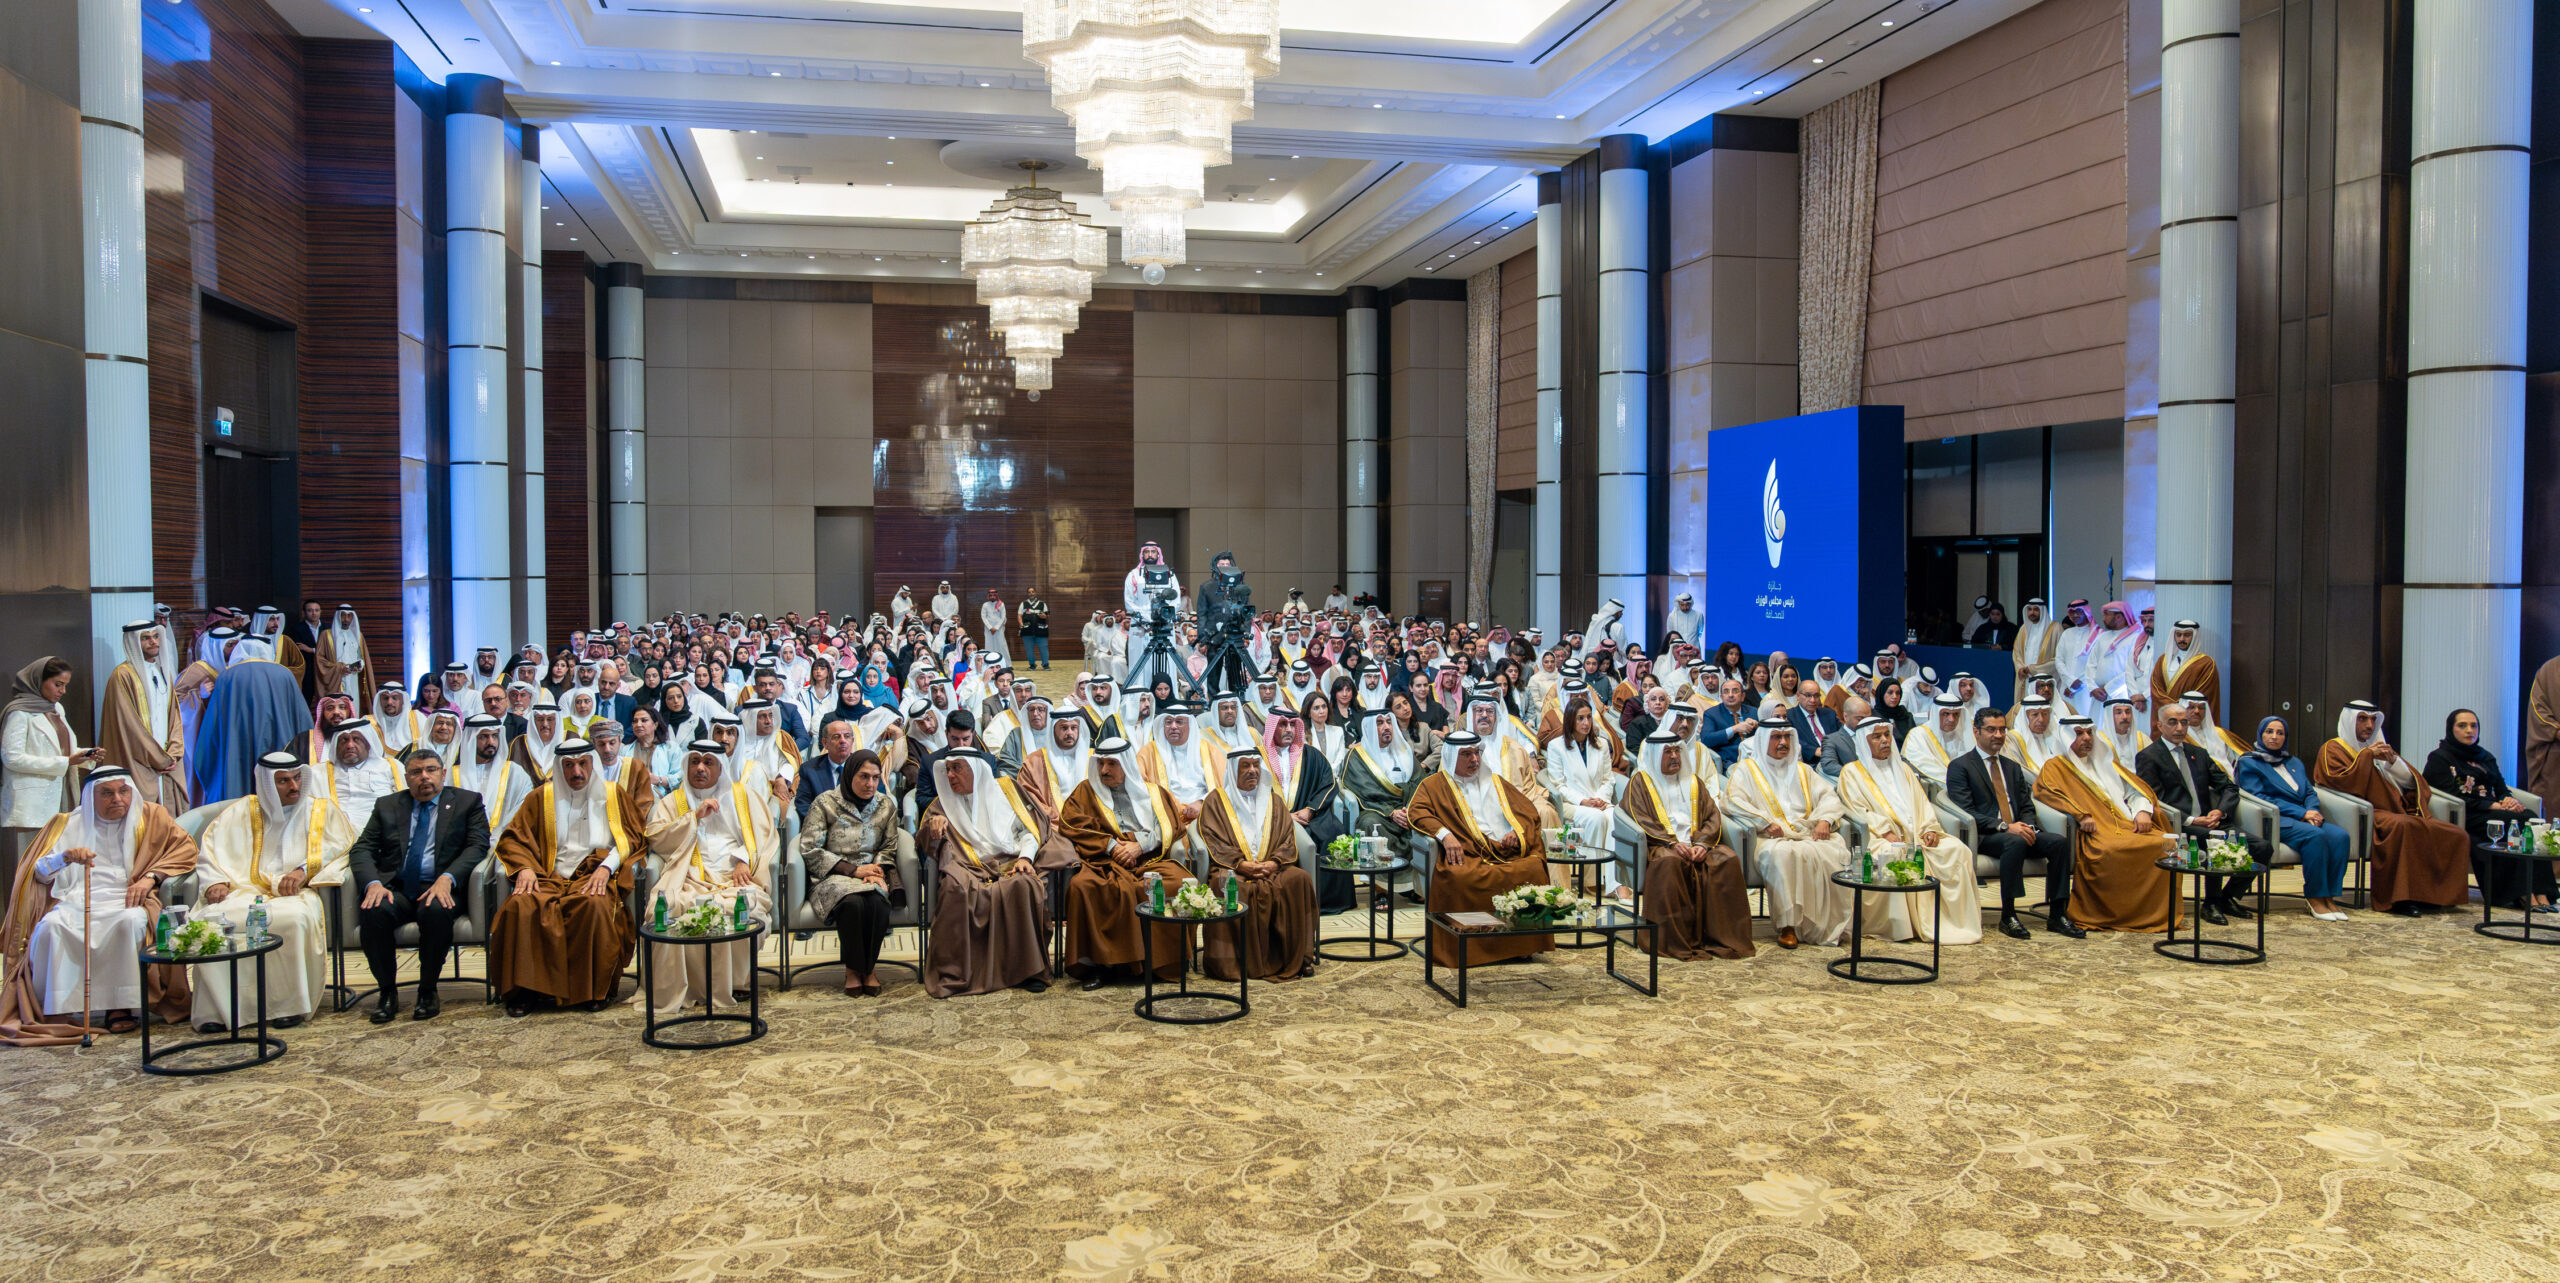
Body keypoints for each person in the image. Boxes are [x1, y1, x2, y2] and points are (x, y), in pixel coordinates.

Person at [0, 769, 195, 1042]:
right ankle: (60, 1008)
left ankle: (120, 1006)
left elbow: (185, 849)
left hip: (127, 896)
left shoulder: (150, 817)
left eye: (123, 791)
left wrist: (150, 878)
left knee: (130, 923)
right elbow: (40, 873)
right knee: (51, 927)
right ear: (91, 796)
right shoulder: (66, 824)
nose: (118, 799)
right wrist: (65, 858)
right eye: (107, 793)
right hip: (77, 897)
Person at [185, 752, 349, 1032]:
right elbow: (210, 851)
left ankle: (287, 1007)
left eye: (297, 778)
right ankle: (218, 1010)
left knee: (293, 920)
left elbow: (341, 847)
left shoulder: (320, 810)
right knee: (214, 921)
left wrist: (303, 871)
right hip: (241, 892)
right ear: (266, 783)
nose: (294, 787)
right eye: (283, 781)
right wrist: (214, 882)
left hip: (294, 894)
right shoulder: (239, 812)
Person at [491, 740, 641, 1017]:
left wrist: (607, 868)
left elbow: (631, 838)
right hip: (548, 876)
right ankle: (525, 992)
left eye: (583, 764)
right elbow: (513, 838)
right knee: (519, 906)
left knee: (594, 906)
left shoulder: (612, 794)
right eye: (569, 765)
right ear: (559, 768)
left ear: (592, 763)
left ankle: (592, 991)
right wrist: (525, 868)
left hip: (593, 874)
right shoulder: (540, 797)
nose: (577, 772)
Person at [347, 749, 493, 1023]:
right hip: (397, 888)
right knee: (374, 910)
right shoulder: (387, 805)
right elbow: (362, 849)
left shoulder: (467, 802)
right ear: (406, 778)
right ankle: (387, 991)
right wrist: (374, 883)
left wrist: (447, 878)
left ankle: (427, 990)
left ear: (443, 773)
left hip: (442, 886)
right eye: (416, 772)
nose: (424, 777)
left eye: (430, 770)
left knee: (436, 910)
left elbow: (477, 846)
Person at [640, 741, 778, 1009]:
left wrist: (744, 860)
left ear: (720, 767)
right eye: (694, 762)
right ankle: (686, 986)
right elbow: (656, 837)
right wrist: (694, 817)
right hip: (689, 877)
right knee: (668, 908)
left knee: (746, 910)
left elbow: (764, 836)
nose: (700, 768)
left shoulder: (743, 796)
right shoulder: (673, 801)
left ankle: (736, 983)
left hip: (734, 877)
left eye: (707, 762)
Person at [1056, 736, 1193, 989]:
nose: (1104, 770)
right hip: (1104, 859)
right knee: (1082, 887)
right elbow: (1070, 823)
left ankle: (1161, 963)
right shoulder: (1085, 792)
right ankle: (1098, 967)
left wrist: (1140, 845)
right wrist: (1111, 846)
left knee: (1178, 882)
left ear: (1126, 764)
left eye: (1112, 764)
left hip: (1149, 859)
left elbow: (1171, 825)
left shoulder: (1153, 792)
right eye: (1101, 764)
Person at [1408, 730, 1553, 964]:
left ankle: (1522, 944)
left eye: (1477, 753)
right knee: (1460, 878)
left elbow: (1527, 812)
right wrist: (1445, 835)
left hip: (1505, 851)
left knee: (1533, 868)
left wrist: (1516, 832)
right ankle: (1469, 948)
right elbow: (1417, 812)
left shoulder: (1495, 781)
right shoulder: (1434, 785)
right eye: (1466, 754)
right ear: (1452, 756)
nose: (1474, 760)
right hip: (1468, 853)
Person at [917, 750, 1055, 997]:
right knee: (954, 889)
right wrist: (933, 827)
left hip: (1011, 862)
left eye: (957, 768)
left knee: (1024, 885)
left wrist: (1025, 858)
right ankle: (960, 973)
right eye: (947, 770)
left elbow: (1029, 831)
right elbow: (927, 844)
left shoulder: (1008, 792)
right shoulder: (941, 805)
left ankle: (1027, 971)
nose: (950, 775)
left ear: (976, 770)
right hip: (968, 868)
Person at [2315, 701, 2472, 916]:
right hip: (2371, 814)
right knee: (2403, 826)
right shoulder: (2333, 748)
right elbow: (2339, 782)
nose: (2369, 725)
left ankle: (2433, 897)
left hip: (2399, 811)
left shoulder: (2380, 747)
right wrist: (2366, 756)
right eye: (2362, 719)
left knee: (2456, 834)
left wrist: (2392, 763)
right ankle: (2399, 900)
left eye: (2373, 720)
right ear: (2349, 720)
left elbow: (2413, 783)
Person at [1837, 717, 1983, 943]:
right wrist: (1886, 832)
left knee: (1958, 850)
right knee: (1892, 853)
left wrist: (1929, 829)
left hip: (1917, 835)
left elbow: (1922, 803)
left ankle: (1955, 923)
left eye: (1887, 735)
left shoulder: (1903, 769)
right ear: (1864, 742)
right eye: (1877, 736)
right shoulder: (1851, 772)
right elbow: (1857, 809)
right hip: (1878, 837)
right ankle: (1901, 927)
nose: (1885, 740)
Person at [1946, 709, 2078, 939]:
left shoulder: (2012, 766)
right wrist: (2006, 827)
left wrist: (2027, 827)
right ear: (1976, 731)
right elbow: (1967, 812)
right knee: (2014, 842)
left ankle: (2058, 914)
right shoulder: (1961, 766)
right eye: (1991, 730)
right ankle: (2009, 915)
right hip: (1987, 835)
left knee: (2058, 843)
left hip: (2018, 830)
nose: (1998, 735)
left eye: (2002, 730)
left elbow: (2027, 806)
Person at [2034, 715, 2172, 932]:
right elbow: (2047, 793)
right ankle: (2113, 915)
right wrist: (2080, 815)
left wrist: (2142, 811)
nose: (2086, 738)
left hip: (2126, 824)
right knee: (2109, 850)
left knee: (2163, 843)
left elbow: (2135, 790)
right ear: (2065, 737)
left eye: (2089, 732)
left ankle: (2152, 913)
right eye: (2079, 733)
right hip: (2096, 829)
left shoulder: (2106, 760)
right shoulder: (2056, 767)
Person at [1621, 732, 1753, 959]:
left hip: (1698, 843)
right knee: (1669, 863)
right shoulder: (1640, 783)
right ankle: (1674, 941)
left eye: (1677, 751)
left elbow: (1712, 815)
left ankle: (1721, 938)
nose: (1675, 756)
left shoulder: (1693, 781)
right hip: (1660, 844)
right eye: (1668, 752)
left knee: (1727, 859)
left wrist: (1702, 843)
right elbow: (1641, 818)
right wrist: (1671, 842)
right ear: (1654, 755)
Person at [1719, 725, 1853, 949]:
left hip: (1806, 831)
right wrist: (1764, 822)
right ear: (1763, 740)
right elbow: (1732, 801)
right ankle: (1788, 926)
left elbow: (1829, 797)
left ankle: (1827, 925)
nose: (1783, 742)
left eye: (1786, 737)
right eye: (1776, 737)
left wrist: (1825, 820)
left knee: (1835, 851)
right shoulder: (1746, 770)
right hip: (1769, 837)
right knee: (1781, 855)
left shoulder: (1803, 770)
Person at [2136, 703, 2266, 924]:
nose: (2180, 728)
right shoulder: (2148, 756)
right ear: (2159, 725)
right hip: (2180, 825)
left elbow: (2229, 787)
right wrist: (2192, 819)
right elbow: (2155, 800)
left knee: (2263, 848)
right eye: (2173, 722)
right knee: (2215, 842)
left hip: (2212, 822)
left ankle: (2227, 897)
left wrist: (2220, 811)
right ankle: (2211, 904)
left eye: (2184, 722)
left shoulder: (2198, 754)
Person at [1195, 748, 1318, 980]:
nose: (1252, 771)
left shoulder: (1274, 801)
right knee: (1225, 885)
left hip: (1273, 868)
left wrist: (1274, 863)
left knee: (1299, 879)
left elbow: (1287, 838)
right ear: (1233, 770)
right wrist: (1240, 864)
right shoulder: (1216, 801)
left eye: (1255, 765)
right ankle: (1232, 963)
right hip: (1233, 868)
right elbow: (1214, 840)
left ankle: (1298, 956)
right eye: (1245, 766)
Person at [796, 748, 906, 996]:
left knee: (877, 903)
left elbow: (889, 845)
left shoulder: (885, 805)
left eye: (875, 778)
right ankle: (853, 970)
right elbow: (810, 848)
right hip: (833, 875)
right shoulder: (825, 803)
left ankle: (868, 969)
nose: (870, 784)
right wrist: (853, 870)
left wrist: (875, 869)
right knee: (853, 904)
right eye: (863, 777)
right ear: (849, 775)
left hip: (871, 873)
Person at [2423, 707, 2551, 913]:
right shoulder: (2440, 758)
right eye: (2462, 725)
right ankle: (2521, 893)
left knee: (2531, 819)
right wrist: (2492, 805)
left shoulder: (2485, 757)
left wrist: (2508, 801)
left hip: (2493, 812)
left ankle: (2541, 890)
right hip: (2466, 815)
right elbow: (2450, 795)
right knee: (2514, 822)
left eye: (2473, 726)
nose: (2469, 730)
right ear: (2451, 729)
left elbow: (2501, 788)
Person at [2235, 716, 2353, 921]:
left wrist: (2312, 811)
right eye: (2269, 731)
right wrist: (2301, 813)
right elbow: (2259, 797)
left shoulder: (2293, 762)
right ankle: (2314, 896)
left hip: (2305, 817)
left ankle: (2329, 896)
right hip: (2277, 819)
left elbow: (2309, 792)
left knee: (2340, 836)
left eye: (2280, 733)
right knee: (2315, 836)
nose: (2274, 737)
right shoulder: (2249, 762)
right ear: (2260, 734)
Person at [4, 658, 101, 893]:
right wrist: (65, 762)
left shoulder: (56, 710)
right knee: (30, 868)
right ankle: (27, 917)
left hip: (61, 794)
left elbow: (62, 749)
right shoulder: (19, 713)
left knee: (57, 865)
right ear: (39, 681)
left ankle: (54, 911)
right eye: (58, 684)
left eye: (65, 685)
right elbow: (11, 757)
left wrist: (86, 755)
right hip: (32, 803)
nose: (63, 691)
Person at [98, 622, 185, 813]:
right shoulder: (122, 675)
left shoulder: (162, 672)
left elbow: (174, 716)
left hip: (166, 758)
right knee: (141, 814)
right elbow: (129, 726)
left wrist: (174, 752)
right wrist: (157, 758)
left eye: (156, 636)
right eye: (146, 638)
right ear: (133, 642)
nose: (153, 642)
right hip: (141, 759)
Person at [2147, 620, 2218, 735]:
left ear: (2194, 636)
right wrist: (2172, 709)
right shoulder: (2163, 660)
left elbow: (2200, 696)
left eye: (2187, 635)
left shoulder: (2206, 664)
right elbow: (2156, 689)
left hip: (2190, 722)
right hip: (2165, 717)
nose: (2182, 639)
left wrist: (2177, 709)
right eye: (2178, 635)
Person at [795, 718, 860, 822]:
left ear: (852, 741)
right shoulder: (809, 769)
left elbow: (875, 804)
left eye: (847, 736)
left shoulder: (864, 767)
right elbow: (803, 805)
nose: (842, 740)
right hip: (823, 827)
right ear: (825, 743)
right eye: (836, 737)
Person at [1699, 678, 1761, 770]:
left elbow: (1767, 736)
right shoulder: (1711, 714)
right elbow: (1706, 740)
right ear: (1721, 697)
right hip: (1730, 763)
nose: (1730, 695)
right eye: (1726, 692)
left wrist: (1758, 726)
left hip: (1756, 760)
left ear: (1743, 696)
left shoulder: (1754, 712)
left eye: (1735, 691)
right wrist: (1734, 729)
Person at [315, 604, 373, 703]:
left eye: (349, 616)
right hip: (334, 679)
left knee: (353, 705)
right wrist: (339, 668)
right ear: (337, 616)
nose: (346, 619)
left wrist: (359, 665)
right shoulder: (326, 635)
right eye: (343, 616)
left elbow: (361, 657)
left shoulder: (358, 636)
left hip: (353, 678)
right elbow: (319, 660)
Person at [1018, 593, 1050, 670]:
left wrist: (1044, 616)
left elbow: (1047, 615)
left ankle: (1045, 665)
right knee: (1029, 649)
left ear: (1035, 593)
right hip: (1027, 630)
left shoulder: (1042, 603)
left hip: (1041, 630)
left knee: (1044, 648)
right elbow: (1019, 615)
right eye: (1029, 592)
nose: (1031, 593)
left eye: (1033, 591)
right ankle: (1032, 665)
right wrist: (1021, 625)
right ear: (1027, 594)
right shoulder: (1023, 604)